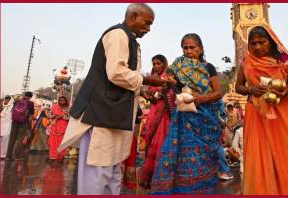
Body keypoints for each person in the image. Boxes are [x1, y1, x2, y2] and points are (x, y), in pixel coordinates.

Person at [57, 3, 170, 195]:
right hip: (101, 114)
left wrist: (141, 91)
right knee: (98, 172)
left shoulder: (131, 40)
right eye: (147, 23)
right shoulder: (118, 34)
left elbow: (125, 77)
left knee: (113, 171)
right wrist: (148, 80)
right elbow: (116, 73)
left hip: (115, 115)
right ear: (133, 16)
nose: (149, 29)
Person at [150, 33, 224, 194]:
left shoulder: (208, 67)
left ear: (201, 48)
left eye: (193, 47)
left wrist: (202, 99)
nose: (189, 51)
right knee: (183, 154)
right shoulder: (177, 66)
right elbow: (166, 89)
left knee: (206, 155)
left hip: (205, 117)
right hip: (183, 117)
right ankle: (184, 189)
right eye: (185, 48)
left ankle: (204, 188)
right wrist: (168, 84)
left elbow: (218, 93)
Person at [235, 25, 288, 195]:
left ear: (271, 42)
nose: (257, 47)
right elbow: (238, 86)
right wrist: (251, 90)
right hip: (257, 115)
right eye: (253, 43)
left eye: (262, 42)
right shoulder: (246, 61)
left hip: (281, 116)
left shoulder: (284, 59)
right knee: (259, 156)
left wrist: (285, 92)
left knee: (284, 154)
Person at [138, 54, 175, 189]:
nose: (156, 66)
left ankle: (162, 178)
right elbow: (149, 95)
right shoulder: (151, 78)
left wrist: (165, 93)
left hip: (165, 116)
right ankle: (151, 177)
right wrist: (152, 97)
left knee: (160, 145)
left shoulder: (168, 78)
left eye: (158, 63)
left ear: (164, 64)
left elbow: (173, 94)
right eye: (154, 64)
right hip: (154, 114)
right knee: (151, 144)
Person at [5, 91, 35, 161]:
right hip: (23, 122)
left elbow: (12, 110)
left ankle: (8, 156)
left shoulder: (17, 101)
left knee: (11, 139)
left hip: (14, 121)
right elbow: (31, 114)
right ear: (31, 97)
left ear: (24, 95)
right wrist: (28, 123)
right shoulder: (30, 103)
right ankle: (16, 156)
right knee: (19, 139)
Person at [48, 96, 70, 161]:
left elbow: (70, 118)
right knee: (53, 141)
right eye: (60, 100)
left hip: (64, 126)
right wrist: (54, 116)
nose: (61, 102)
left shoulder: (68, 108)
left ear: (66, 101)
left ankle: (61, 155)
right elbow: (49, 115)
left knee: (62, 141)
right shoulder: (54, 106)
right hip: (55, 126)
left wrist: (62, 116)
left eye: (63, 100)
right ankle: (53, 155)